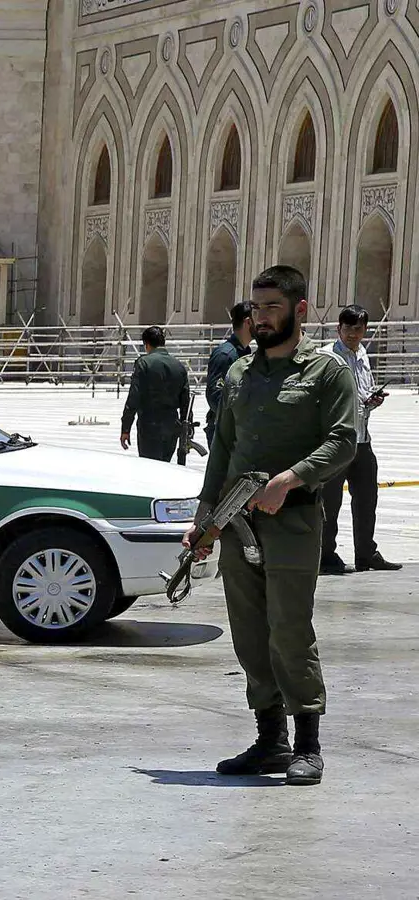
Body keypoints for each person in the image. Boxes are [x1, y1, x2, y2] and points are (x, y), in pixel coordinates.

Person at [187, 265, 357, 787]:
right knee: (250, 635)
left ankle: (308, 743)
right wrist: (204, 519)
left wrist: (292, 477)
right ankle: (270, 740)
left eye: (272, 308)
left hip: (294, 521)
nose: (260, 318)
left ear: (299, 310)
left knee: (289, 630)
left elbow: (343, 439)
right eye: (255, 309)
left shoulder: (327, 374)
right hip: (238, 525)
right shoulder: (240, 374)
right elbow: (223, 453)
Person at [318, 305, 402, 575]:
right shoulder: (327, 358)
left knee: (367, 499)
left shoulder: (363, 355)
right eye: (349, 328)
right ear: (338, 329)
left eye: (359, 329)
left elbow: (363, 391)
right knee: (330, 501)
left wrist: (372, 401)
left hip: (362, 439)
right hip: (336, 439)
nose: (354, 334)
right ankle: (325, 555)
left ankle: (366, 553)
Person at [119, 325, 189, 462]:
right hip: (171, 427)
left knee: (149, 469)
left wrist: (126, 428)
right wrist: (185, 429)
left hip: (149, 427)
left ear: (147, 344)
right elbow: (185, 400)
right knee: (166, 465)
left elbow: (134, 397)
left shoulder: (144, 363)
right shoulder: (179, 366)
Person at [205, 301, 252, 448]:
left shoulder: (244, 353)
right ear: (248, 322)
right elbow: (215, 396)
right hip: (225, 431)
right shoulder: (226, 355)